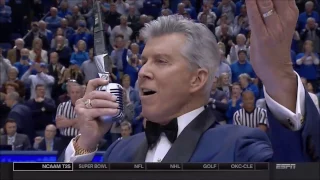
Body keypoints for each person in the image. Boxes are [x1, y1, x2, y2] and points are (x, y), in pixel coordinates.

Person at [62, 0, 319, 162]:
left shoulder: (239, 144)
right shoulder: (119, 151)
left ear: (197, 79)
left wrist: (279, 76)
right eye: (144, 62)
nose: (142, 72)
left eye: (161, 61)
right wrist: (85, 143)